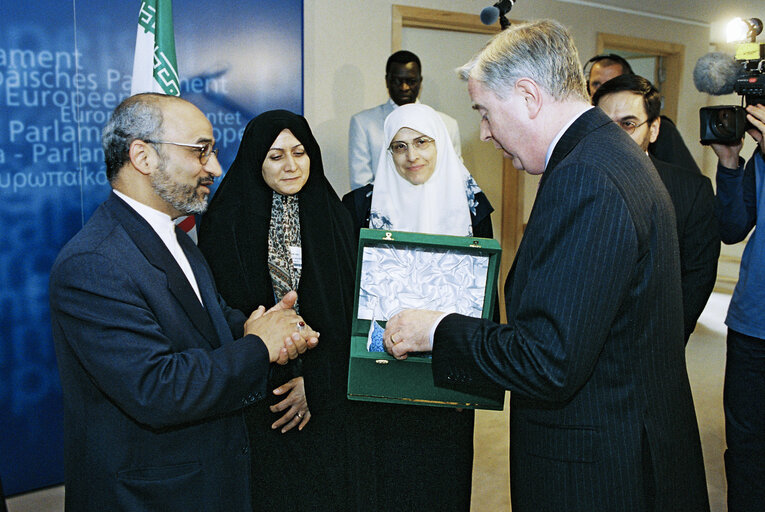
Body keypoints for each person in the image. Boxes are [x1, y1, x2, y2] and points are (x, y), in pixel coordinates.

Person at [383, 20, 710, 511]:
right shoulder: (606, 152)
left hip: (599, 469)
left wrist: (438, 330)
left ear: (529, 95)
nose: (485, 132)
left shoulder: (587, 178)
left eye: (486, 112)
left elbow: (548, 360)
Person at [49, 93, 319, 511]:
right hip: (150, 496)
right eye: (200, 151)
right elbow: (158, 390)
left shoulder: (176, 236)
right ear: (143, 156)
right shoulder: (93, 263)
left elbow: (211, 321)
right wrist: (259, 345)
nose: (214, 167)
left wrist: (270, 326)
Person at [197, 110, 357, 511]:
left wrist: (314, 386)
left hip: (327, 390)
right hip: (257, 394)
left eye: (300, 153)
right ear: (256, 160)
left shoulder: (335, 216)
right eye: (276, 156)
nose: (291, 165)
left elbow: (350, 314)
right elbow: (219, 317)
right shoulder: (224, 221)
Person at [341, 102, 494, 512]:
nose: (412, 156)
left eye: (423, 142)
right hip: (382, 372)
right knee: (384, 482)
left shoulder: (474, 207)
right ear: (386, 153)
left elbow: (484, 294)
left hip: (448, 371)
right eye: (399, 146)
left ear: (441, 143)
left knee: (442, 480)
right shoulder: (358, 207)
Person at [593, 74, 719, 342]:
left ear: (653, 129)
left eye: (628, 124)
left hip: (655, 342)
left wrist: (669, 336)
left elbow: (697, 276)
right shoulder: (574, 180)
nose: (614, 135)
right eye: (604, 124)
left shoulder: (691, 190)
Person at [710, 103, 765, 512]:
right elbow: (732, 228)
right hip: (751, 322)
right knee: (745, 449)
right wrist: (730, 163)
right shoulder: (759, 156)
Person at [348, 50, 461, 190]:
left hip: (435, 208)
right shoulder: (363, 123)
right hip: (383, 208)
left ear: (420, 81)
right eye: (397, 81)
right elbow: (361, 186)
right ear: (387, 81)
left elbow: (454, 178)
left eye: (411, 81)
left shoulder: (447, 124)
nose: (404, 87)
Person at [585, 53, 701, 173]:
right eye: (596, 84)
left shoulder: (661, 130)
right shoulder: (583, 128)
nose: (604, 90)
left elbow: (686, 183)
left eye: (628, 124)